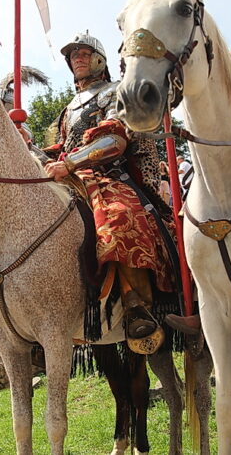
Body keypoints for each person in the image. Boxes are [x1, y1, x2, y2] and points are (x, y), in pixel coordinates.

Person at [42, 30, 176, 342]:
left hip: (108, 176)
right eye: (73, 54)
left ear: (100, 60)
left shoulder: (113, 92)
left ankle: (135, 303)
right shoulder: (69, 107)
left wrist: (72, 163)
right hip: (69, 175)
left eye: (85, 53)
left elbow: (114, 139)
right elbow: (60, 146)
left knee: (117, 218)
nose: (78, 57)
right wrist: (27, 150)